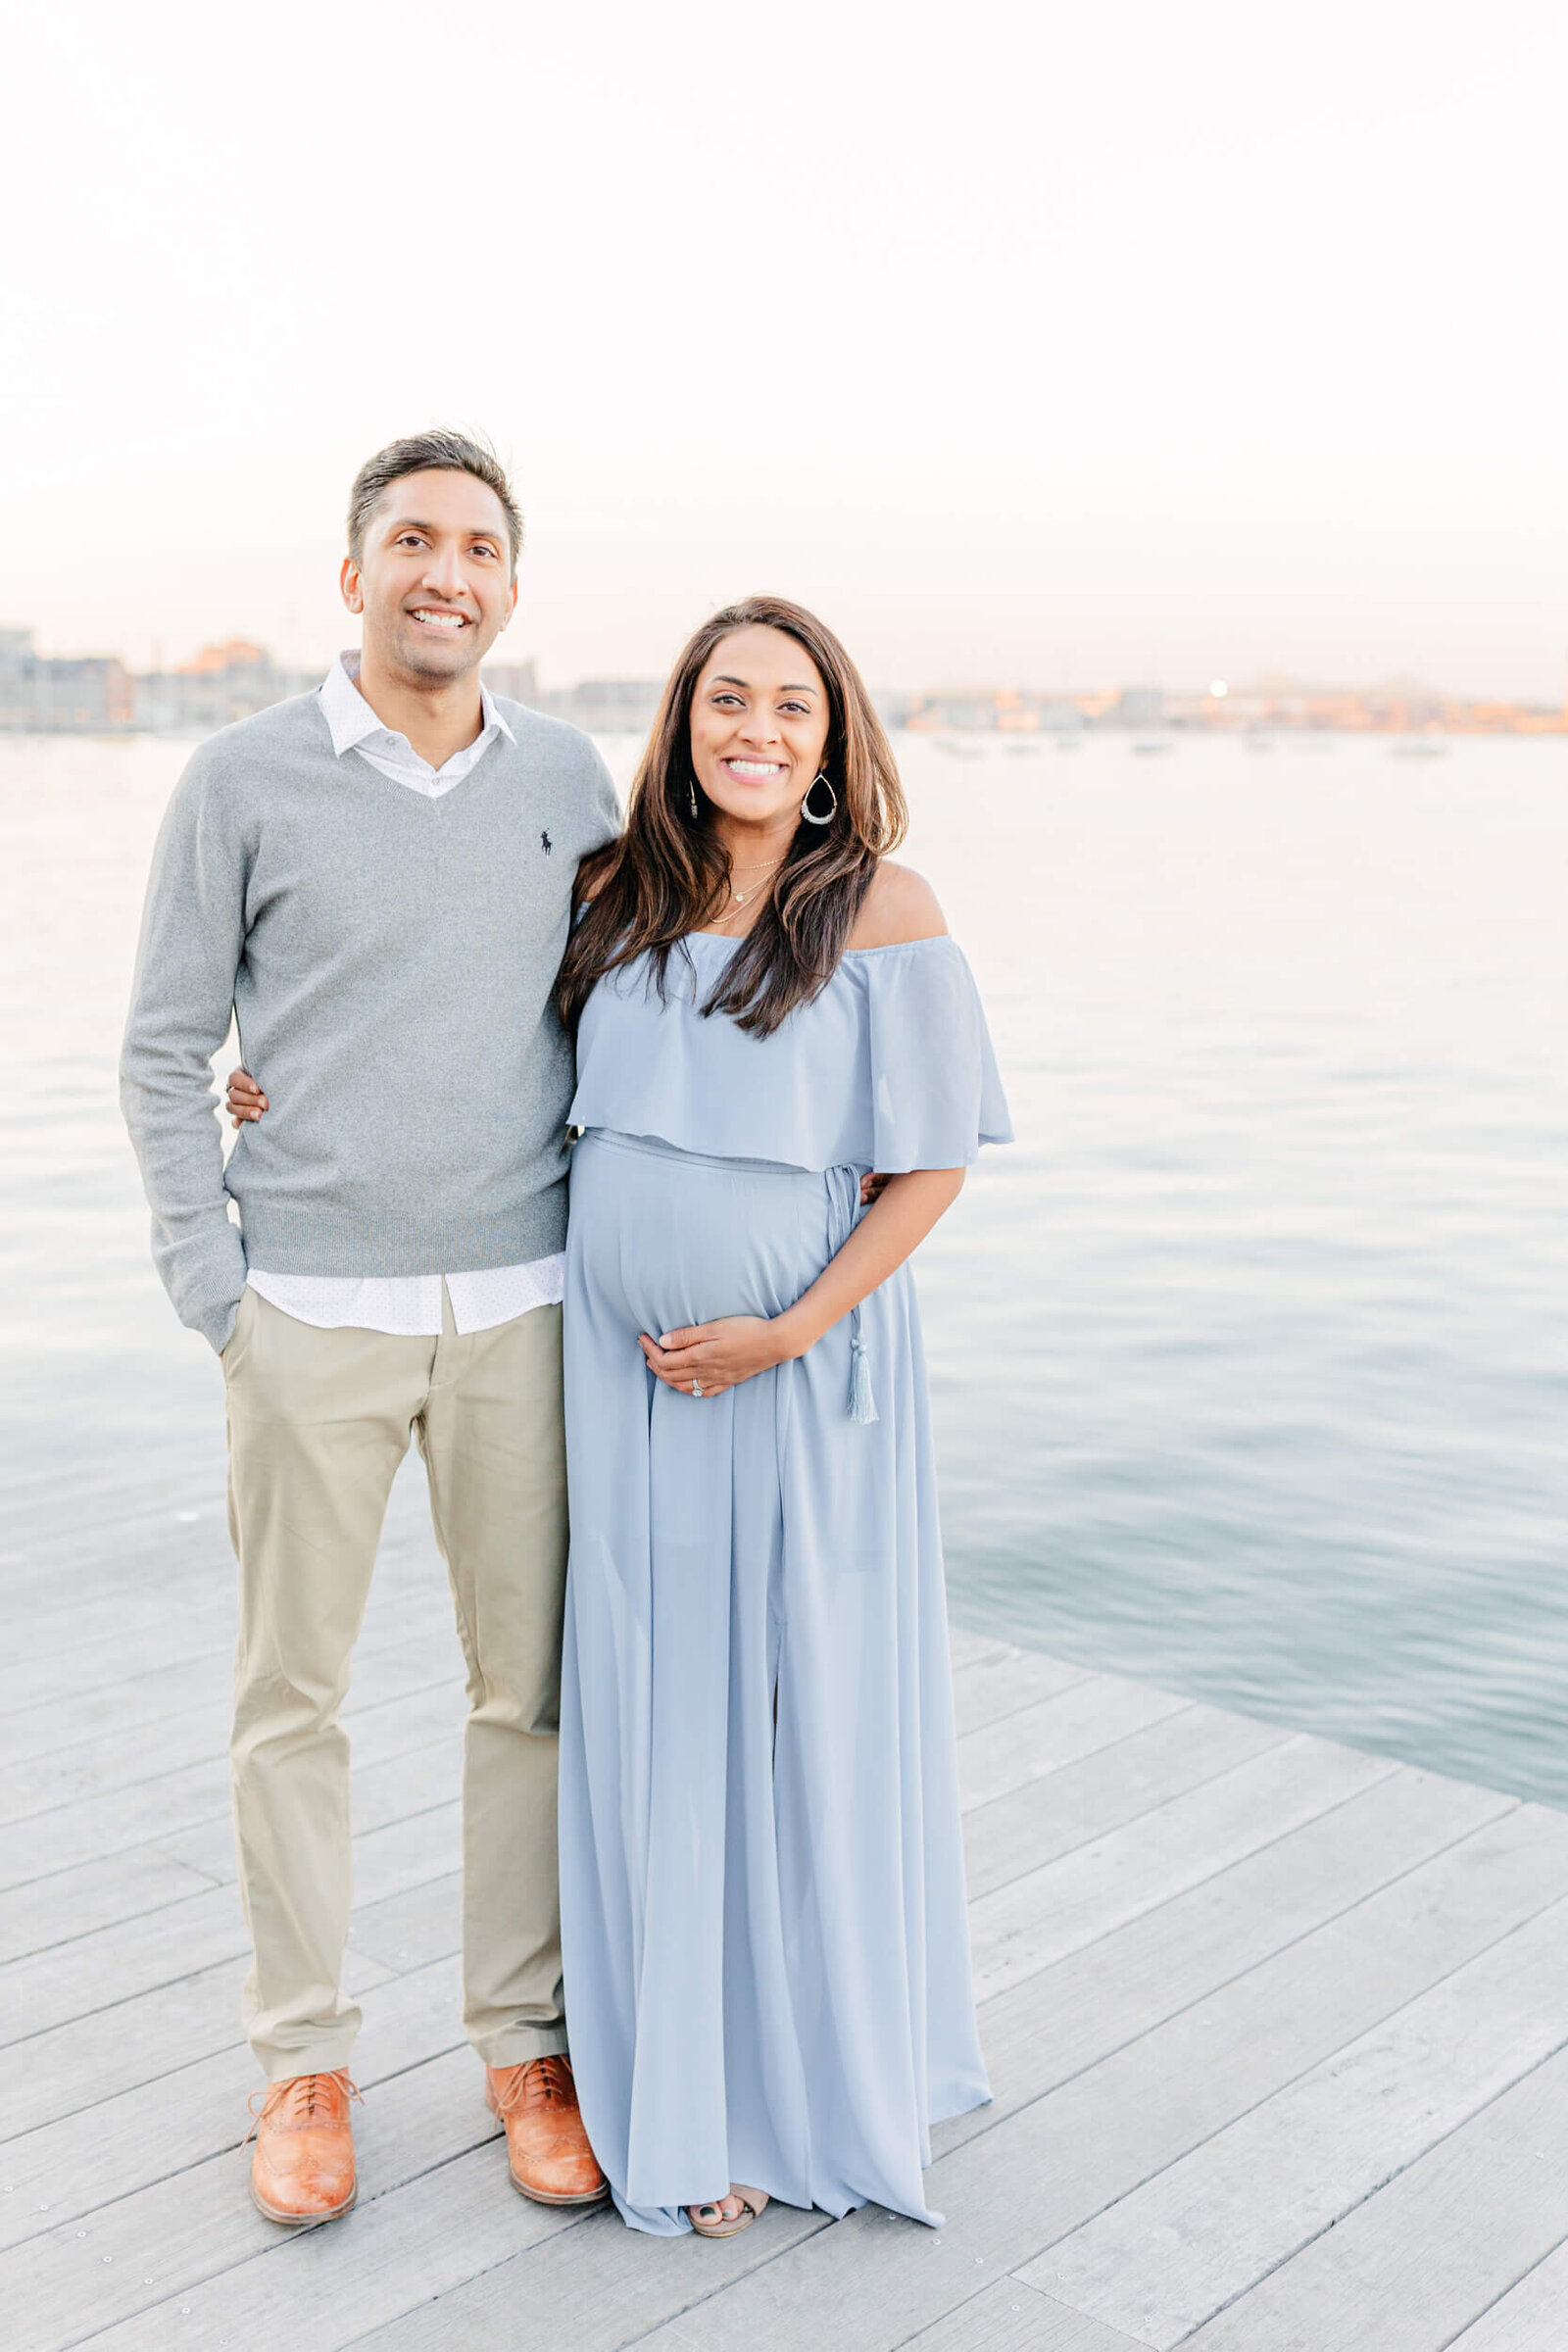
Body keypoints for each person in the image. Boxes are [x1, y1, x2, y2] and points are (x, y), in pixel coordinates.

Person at [121, 431, 614, 2226]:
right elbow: (166, 1046)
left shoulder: (569, 775)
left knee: (534, 1700)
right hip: (307, 1313)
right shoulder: (243, 780)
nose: (445, 572)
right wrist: (212, 1284)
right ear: (354, 574)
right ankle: (304, 2061)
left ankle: (524, 2043)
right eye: (412, 539)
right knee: (290, 1706)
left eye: (478, 546)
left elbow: (656, 997)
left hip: (525, 1309)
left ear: (508, 587)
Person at [552, 595, 1011, 2234]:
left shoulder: (883, 908)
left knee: (784, 1710)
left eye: (792, 711)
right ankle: (661, 2064)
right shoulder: (615, 894)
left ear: (833, 746)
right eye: (726, 700)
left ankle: (773, 2093)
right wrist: (257, 1079)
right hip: (619, 1385)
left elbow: (931, 1164)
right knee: (654, 1706)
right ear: (680, 723)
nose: (756, 728)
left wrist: (787, 1330)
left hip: (798, 1376)